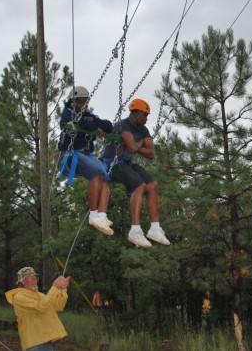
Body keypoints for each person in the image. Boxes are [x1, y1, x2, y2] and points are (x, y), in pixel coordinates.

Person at [102, 98, 170, 248]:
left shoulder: (143, 129)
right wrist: (138, 145)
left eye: (147, 116)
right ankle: (135, 230)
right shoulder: (123, 125)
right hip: (112, 163)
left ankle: (155, 228)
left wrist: (137, 145)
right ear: (135, 113)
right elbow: (132, 148)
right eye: (144, 115)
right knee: (139, 186)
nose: (146, 119)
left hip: (127, 163)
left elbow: (151, 153)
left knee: (152, 185)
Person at [58, 85, 113, 236]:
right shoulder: (67, 113)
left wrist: (97, 125)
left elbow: (108, 126)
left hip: (86, 154)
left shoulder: (88, 115)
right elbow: (82, 123)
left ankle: (102, 216)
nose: (82, 105)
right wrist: (95, 127)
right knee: (96, 173)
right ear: (72, 101)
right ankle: (93, 215)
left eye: (84, 102)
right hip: (69, 154)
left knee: (105, 177)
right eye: (79, 102)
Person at [5, 267, 70, 351]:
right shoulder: (19, 296)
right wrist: (54, 287)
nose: (35, 280)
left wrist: (62, 290)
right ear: (22, 281)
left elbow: (57, 307)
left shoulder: (39, 295)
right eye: (31, 277)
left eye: (35, 278)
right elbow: (41, 307)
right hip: (35, 343)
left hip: (44, 341)